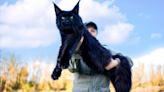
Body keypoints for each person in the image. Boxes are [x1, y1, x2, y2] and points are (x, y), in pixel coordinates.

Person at [68, 22, 120, 92]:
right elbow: (71, 68)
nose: (90, 33)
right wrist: (76, 51)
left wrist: (116, 62)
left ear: (96, 33)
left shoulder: (106, 51)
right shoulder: (73, 50)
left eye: (93, 31)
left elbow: (129, 60)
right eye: (87, 31)